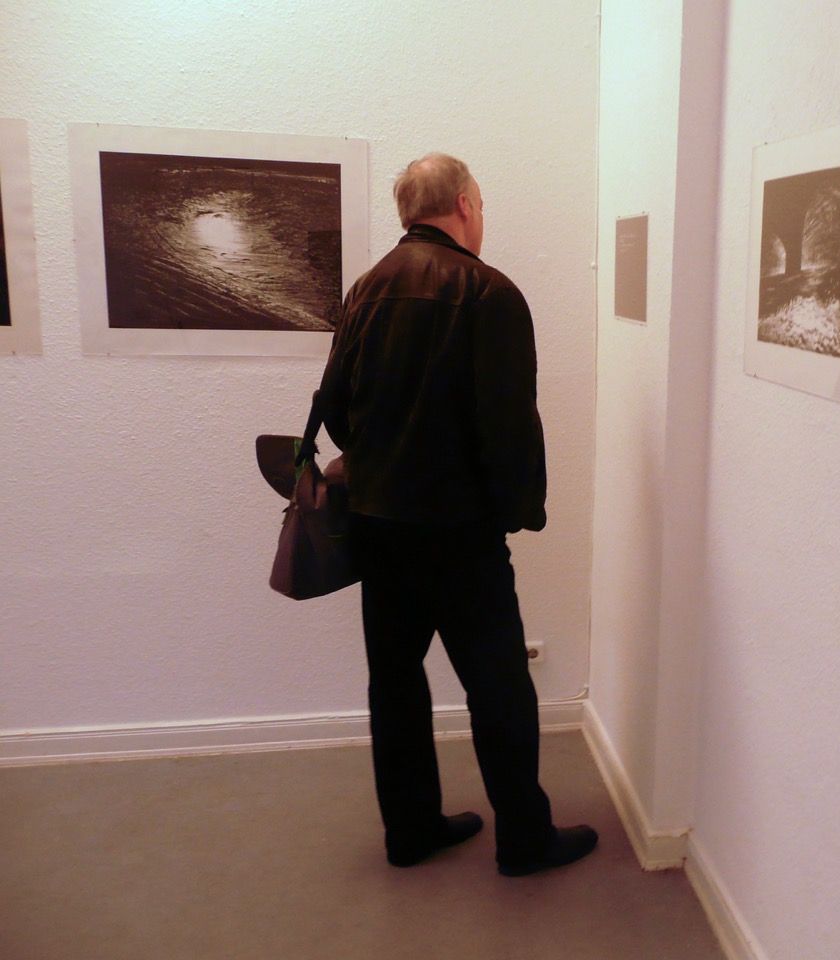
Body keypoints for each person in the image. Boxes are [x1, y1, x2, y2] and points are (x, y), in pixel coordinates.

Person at [315, 152, 597, 876]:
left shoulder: (366, 288)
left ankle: (410, 831)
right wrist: (519, 510)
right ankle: (524, 840)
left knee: (395, 682)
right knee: (498, 685)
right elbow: (510, 425)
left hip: (379, 524)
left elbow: (338, 410)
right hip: (460, 531)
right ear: (467, 204)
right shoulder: (489, 292)